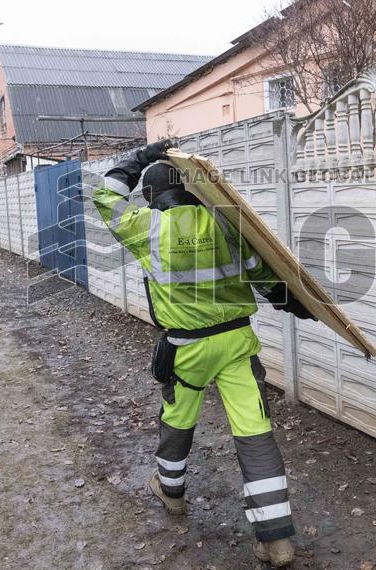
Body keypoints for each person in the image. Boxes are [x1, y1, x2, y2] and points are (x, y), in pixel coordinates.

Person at [93, 139, 314, 568]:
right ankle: (277, 541)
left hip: (187, 348)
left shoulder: (145, 227)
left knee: (177, 418)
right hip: (235, 343)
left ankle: (171, 493)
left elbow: (106, 192)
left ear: (153, 196)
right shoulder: (227, 224)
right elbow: (265, 276)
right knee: (254, 431)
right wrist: (298, 304)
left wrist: (140, 156)